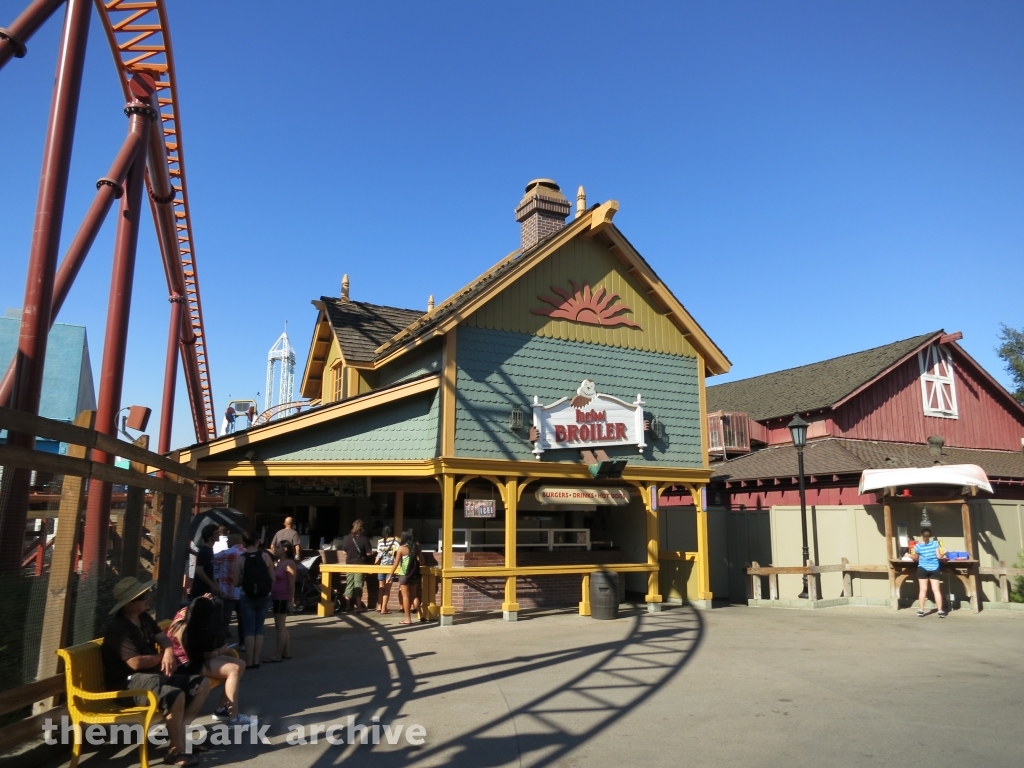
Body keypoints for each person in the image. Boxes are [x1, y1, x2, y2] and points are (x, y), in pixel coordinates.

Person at [101, 577, 210, 766]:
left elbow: (163, 638)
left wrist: (168, 652)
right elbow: (135, 663)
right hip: (127, 684)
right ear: (129, 605)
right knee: (175, 695)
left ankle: (181, 739)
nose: (148, 597)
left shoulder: (143, 618)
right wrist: (163, 658)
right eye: (142, 596)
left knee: (202, 684)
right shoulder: (119, 628)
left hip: (151, 677)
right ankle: (176, 751)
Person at [168, 596, 250, 725]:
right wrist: (218, 652)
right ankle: (233, 716)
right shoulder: (183, 629)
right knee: (233, 669)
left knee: (240, 663)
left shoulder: (190, 615)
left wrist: (202, 599)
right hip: (185, 664)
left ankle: (221, 710)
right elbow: (195, 657)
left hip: (195, 658)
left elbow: (196, 605)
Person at [233, 532, 274, 668]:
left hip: (247, 596)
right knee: (259, 628)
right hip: (264, 596)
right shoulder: (265, 556)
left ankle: (249, 661)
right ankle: (257, 660)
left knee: (249, 629)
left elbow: (235, 583)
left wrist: (243, 581)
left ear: (243, 543)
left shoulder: (240, 559)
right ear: (257, 541)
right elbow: (272, 577)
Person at [264, 541, 298, 663]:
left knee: (279, 626)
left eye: (277, 547)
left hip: (282, 597)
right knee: (282, 626)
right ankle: (285, 652)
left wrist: (290, 600)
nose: (275, 549)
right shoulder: (279, 562)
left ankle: (277, 654)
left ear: (285, 549)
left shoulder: (289, 563)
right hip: (276, 596)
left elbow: (291, 583)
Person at [213, 533, 246, 647]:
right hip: (242, 592)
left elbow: (211, 560)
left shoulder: (227, 553)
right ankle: (243, 643)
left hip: (227, 591)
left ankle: (221, 645)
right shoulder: (246, 553)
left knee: (224, 620)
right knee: (242, 619)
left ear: (231, 542)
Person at [386, 530, 425, 625]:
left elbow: (396, 563)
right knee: (414, 595)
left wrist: (390, 576)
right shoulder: (416, 547)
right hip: (415, 574)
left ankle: (408, 619)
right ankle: (421, 615)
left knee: (405, 596)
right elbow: (422, 561)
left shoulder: (401, 548)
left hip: (404, 574)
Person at [910, 527, 947, 617]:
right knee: (936, 590)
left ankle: (921, 610)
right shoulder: (935, 544)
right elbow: (939, 557)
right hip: (934, 568)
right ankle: (940, 611)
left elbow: (915, 557)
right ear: (930, 536)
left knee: (923, 590)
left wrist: (908, 555)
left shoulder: (917, 546)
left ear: (921, 535)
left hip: (922, 568)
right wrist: (944, 552)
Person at [341, 519, 371, 612]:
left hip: (349, 564)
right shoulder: (364, 538)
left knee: (349, 584)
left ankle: (347, 605)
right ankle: (358, 606)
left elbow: (343, 551)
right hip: (360, 564)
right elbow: (369, 553)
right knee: (358, 585)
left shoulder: (348, 538)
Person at [188, 523, 221, 601]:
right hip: (200, 590)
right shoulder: (205, 551)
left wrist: (217, 587)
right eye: (217, 533)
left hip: (207, 591)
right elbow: (199, 570)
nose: (219, 534)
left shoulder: (210, 550)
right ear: (210, 537)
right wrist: (212, 585)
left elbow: (209, 571)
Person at [375, 526, 399, 614]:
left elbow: (378, 555)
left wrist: (374, 565)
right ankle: (384, 608)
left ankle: (379, 606)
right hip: (391, 567)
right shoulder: (396, 542)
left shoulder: (380, 542)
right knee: (387, 589)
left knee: (381, 587)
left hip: (381, 566)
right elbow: (398, 555)